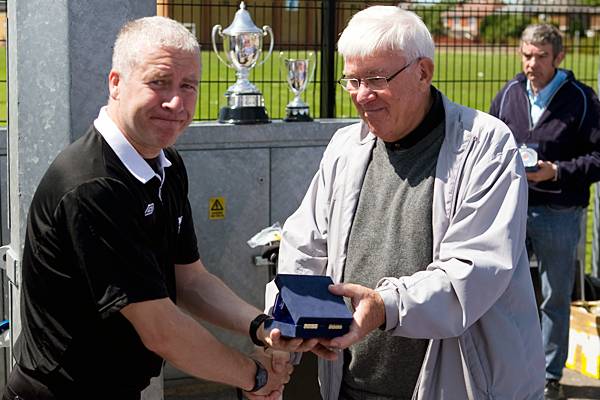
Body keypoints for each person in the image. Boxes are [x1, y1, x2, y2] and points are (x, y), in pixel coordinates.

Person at [2, 16, 308, 400]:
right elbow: (161, 329)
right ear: (116, 83)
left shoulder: (165, 164)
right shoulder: (95, 186)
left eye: (188, 85)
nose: (176, 102)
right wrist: (255, 377)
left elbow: (190, 280)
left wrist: (265, 327)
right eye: (158, 82)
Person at [265, 6, 545, 399]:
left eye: (377, 79)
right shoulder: (347, 146)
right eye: (353, 80)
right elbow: (304, 244)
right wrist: (286, 325)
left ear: (423, 72)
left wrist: (384, 305)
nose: (362, 96)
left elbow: (473, 270)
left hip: (457, 385)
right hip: (351, 384)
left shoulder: (486, 146)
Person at [489, 23, 600, 400]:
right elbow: (489, 142)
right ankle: (507, 364)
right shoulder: (508, 93)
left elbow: (598, 157)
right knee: (501, 289)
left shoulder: (582, 100)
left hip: (560, 212)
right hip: (513, 210)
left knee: (554, 298)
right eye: (526, 55)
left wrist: (558, 171)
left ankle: (550, 376)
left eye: (540, 57)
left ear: (559, 57)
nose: (531, 64)